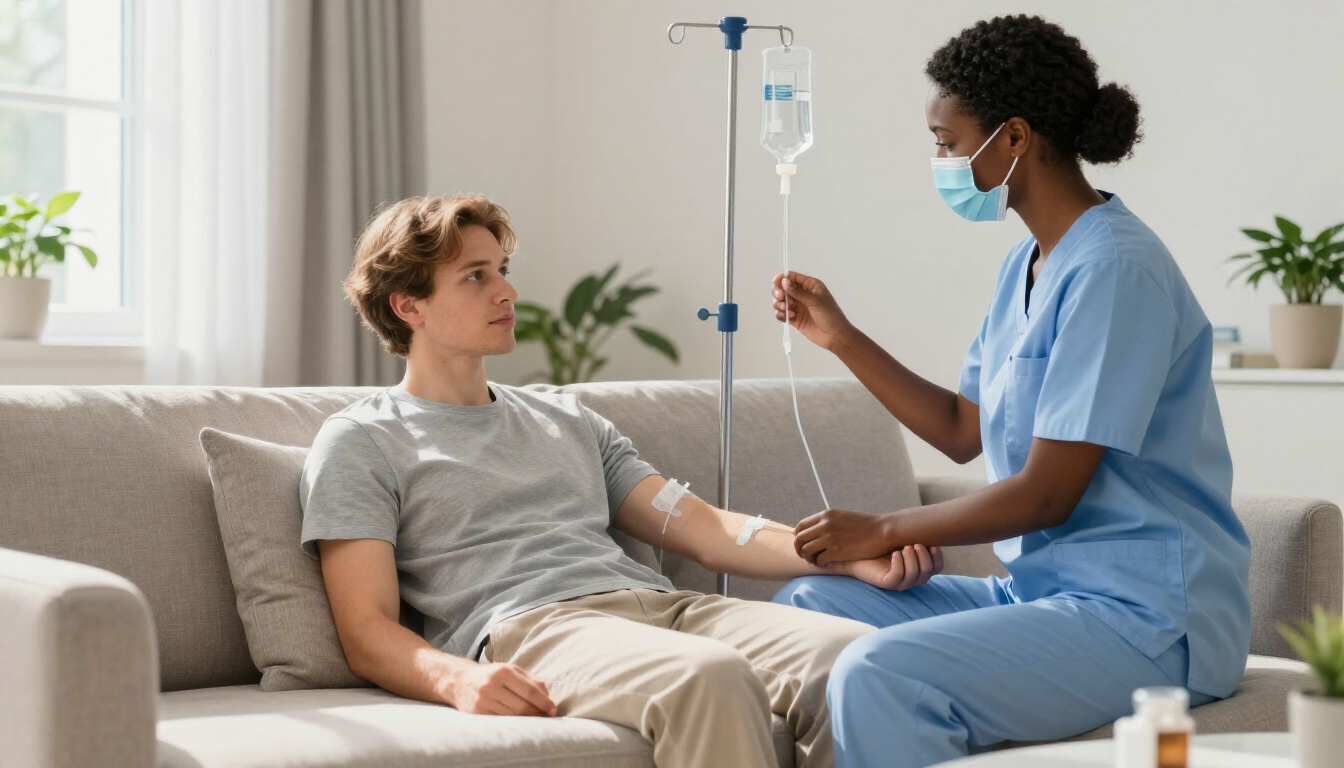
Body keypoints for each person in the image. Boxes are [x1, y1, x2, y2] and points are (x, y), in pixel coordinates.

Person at [299, 193, 943, 768]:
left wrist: (846, 561)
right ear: (407, 305)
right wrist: (456, 680)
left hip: (665, 609)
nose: (507, 292)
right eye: (476, 276)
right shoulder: (362, 440)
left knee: (853, 657)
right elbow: (367, 629)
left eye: (502, 271)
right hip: (536, 628)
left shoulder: (567, 419)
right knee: (709, 678)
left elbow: (708, 529)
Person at [770, 15, 1250, 767]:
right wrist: (841, 336)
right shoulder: (1027, 263)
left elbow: (1046, 495)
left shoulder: (1115, 270)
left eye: (946, 141)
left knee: (880, 673)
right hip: (1042, 595)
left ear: (1015, 137)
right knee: (806, 610)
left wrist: (886, 530)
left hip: (1147, 617)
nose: (939, 160)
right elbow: (966, 426)